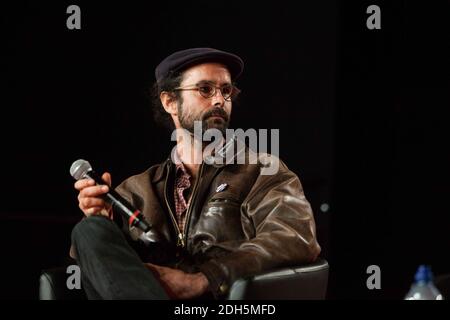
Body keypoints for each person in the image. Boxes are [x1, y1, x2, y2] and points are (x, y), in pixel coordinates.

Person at [71, 47, 321, 300]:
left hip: (220, 300)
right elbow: (102, 274)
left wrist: (204, 279)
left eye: (226, 90)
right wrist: (105, 220)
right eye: (205, 89)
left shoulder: (263, 172)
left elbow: (295, 237)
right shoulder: (136, 189)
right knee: (89, 231)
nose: (219, 100)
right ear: (170, 102)